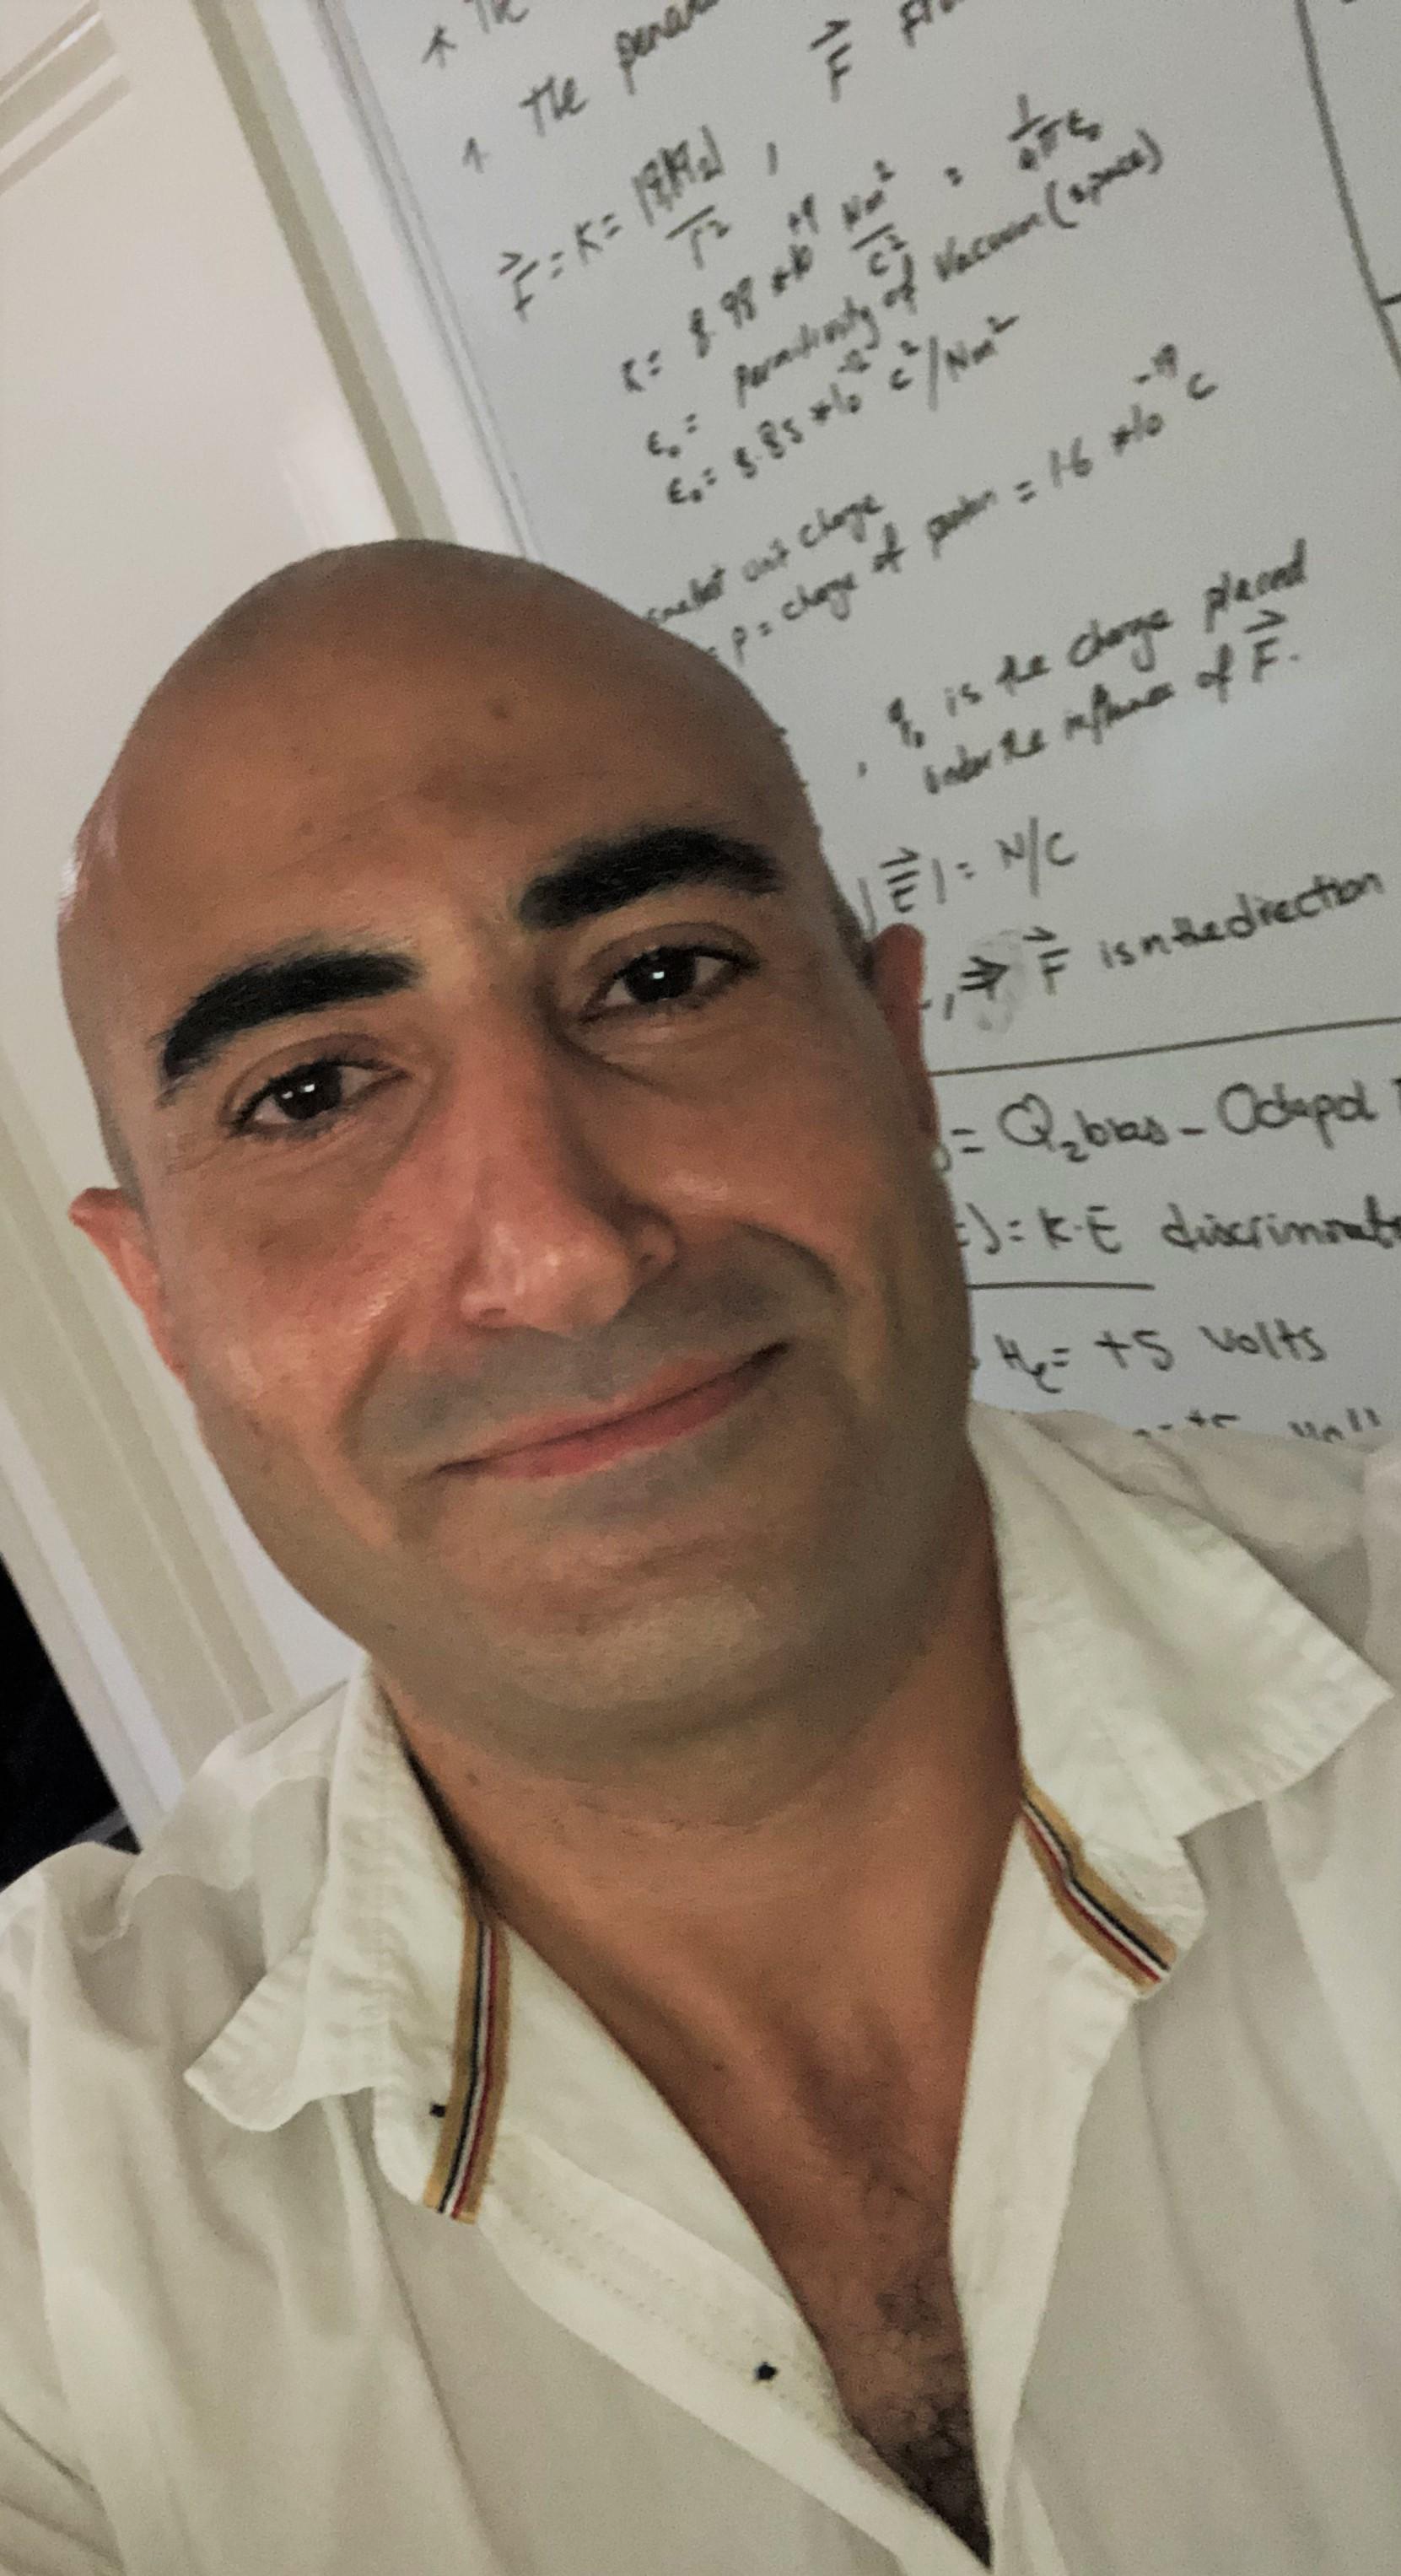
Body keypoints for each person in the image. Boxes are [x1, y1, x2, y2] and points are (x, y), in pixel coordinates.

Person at [1, 539, 1397, 2576]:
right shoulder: (50, 2201)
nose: (564, 1253)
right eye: (309, 1093)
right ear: (159, 1303)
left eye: (661, 977)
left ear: (899, 1052)